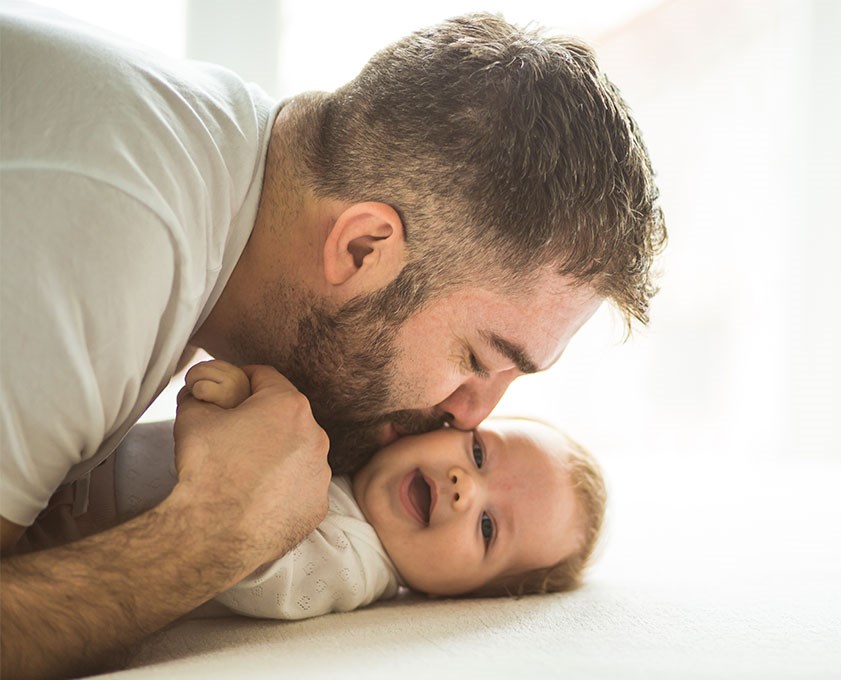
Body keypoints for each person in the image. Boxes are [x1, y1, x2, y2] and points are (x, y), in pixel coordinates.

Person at [0, 3, 664, 677]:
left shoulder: (202, 170)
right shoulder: (115, 243)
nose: (470, 414)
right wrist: (208, 536)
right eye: (476, 359)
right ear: (361, 247)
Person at [17, 360, 606, 617]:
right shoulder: (359, 445)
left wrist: (229, 414)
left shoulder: (352, 562)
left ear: (458, 595)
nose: (462, 487)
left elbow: (248, 560)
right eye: (478, 453)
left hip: (68, 530)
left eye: (487, 527)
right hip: (72, 452)